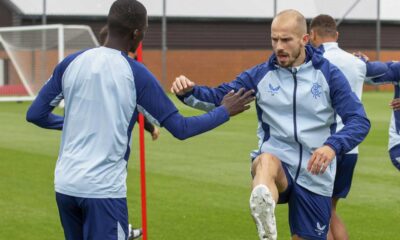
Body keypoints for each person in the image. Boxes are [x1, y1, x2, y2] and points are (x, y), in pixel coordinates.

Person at [26, 0, 254, 239]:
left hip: (65, 187)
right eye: (144, 31)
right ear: (136, 34)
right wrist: (224, 111)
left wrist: (77, 123)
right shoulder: (135, 73)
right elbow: (181, 128)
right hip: (102, 191)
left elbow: (35, 114)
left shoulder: (71, 62)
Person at [171, 9, 371, 240]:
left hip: (315, 172)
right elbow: (219, 97)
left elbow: (359, 121)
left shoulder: (329, 75)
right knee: (265, 161)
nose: (279, 47)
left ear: (304, 40)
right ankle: (264, 212)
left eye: (286, 40)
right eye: (274, 39)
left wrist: (332, 146)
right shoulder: (261, 74)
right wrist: (188, 92)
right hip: (278, 163)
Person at [308, 14, 388, 240]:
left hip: (324, 146)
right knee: (331, 210)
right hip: (351, 148)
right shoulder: (357, 63)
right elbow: (384, 72)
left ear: (312, 34)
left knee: (319, 213)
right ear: (337, 35)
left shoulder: (312, 61)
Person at [100, 25, 160, 142]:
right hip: (110, 141)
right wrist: (150, 127)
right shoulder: (126, 71)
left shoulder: (88, 66)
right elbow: (134, 105)